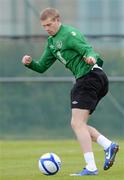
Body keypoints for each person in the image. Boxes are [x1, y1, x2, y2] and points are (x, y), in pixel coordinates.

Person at [22, 8, 119, 176]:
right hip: (89, 79)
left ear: (58, 20)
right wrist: (30, 63)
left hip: (90, 76)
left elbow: (87, 49)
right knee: (80, 124)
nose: (47, 28)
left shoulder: (69, 34)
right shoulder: (52, 43)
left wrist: (91, 57)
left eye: (49, 24)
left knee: (76, 124)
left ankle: (90, 167)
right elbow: (42, 67)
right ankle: (108, 145)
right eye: (44, 26)